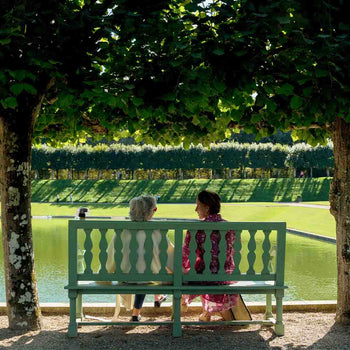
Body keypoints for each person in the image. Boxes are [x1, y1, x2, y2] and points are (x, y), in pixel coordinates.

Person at [106, 195, 174, 321]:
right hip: (149, 276)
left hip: (125, 276)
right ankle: (140, 311)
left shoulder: (122, 230)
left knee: (139, 270)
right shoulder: (157, 230)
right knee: (146, 271)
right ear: (152, 211)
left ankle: (136, 313)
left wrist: (108, 272)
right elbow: (170, 255)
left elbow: (111, 255)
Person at [181, 190, 239, 321]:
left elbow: (186, 254)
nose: (195, 209)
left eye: (198, 205)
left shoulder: (196, 228)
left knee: (194, 270)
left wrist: (183, 269)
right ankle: (208, 312)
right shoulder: (230, 227)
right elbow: (233, 251)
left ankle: (203, 313)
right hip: (226, 275)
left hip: (204, 276)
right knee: (206, 268)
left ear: (207, 208)